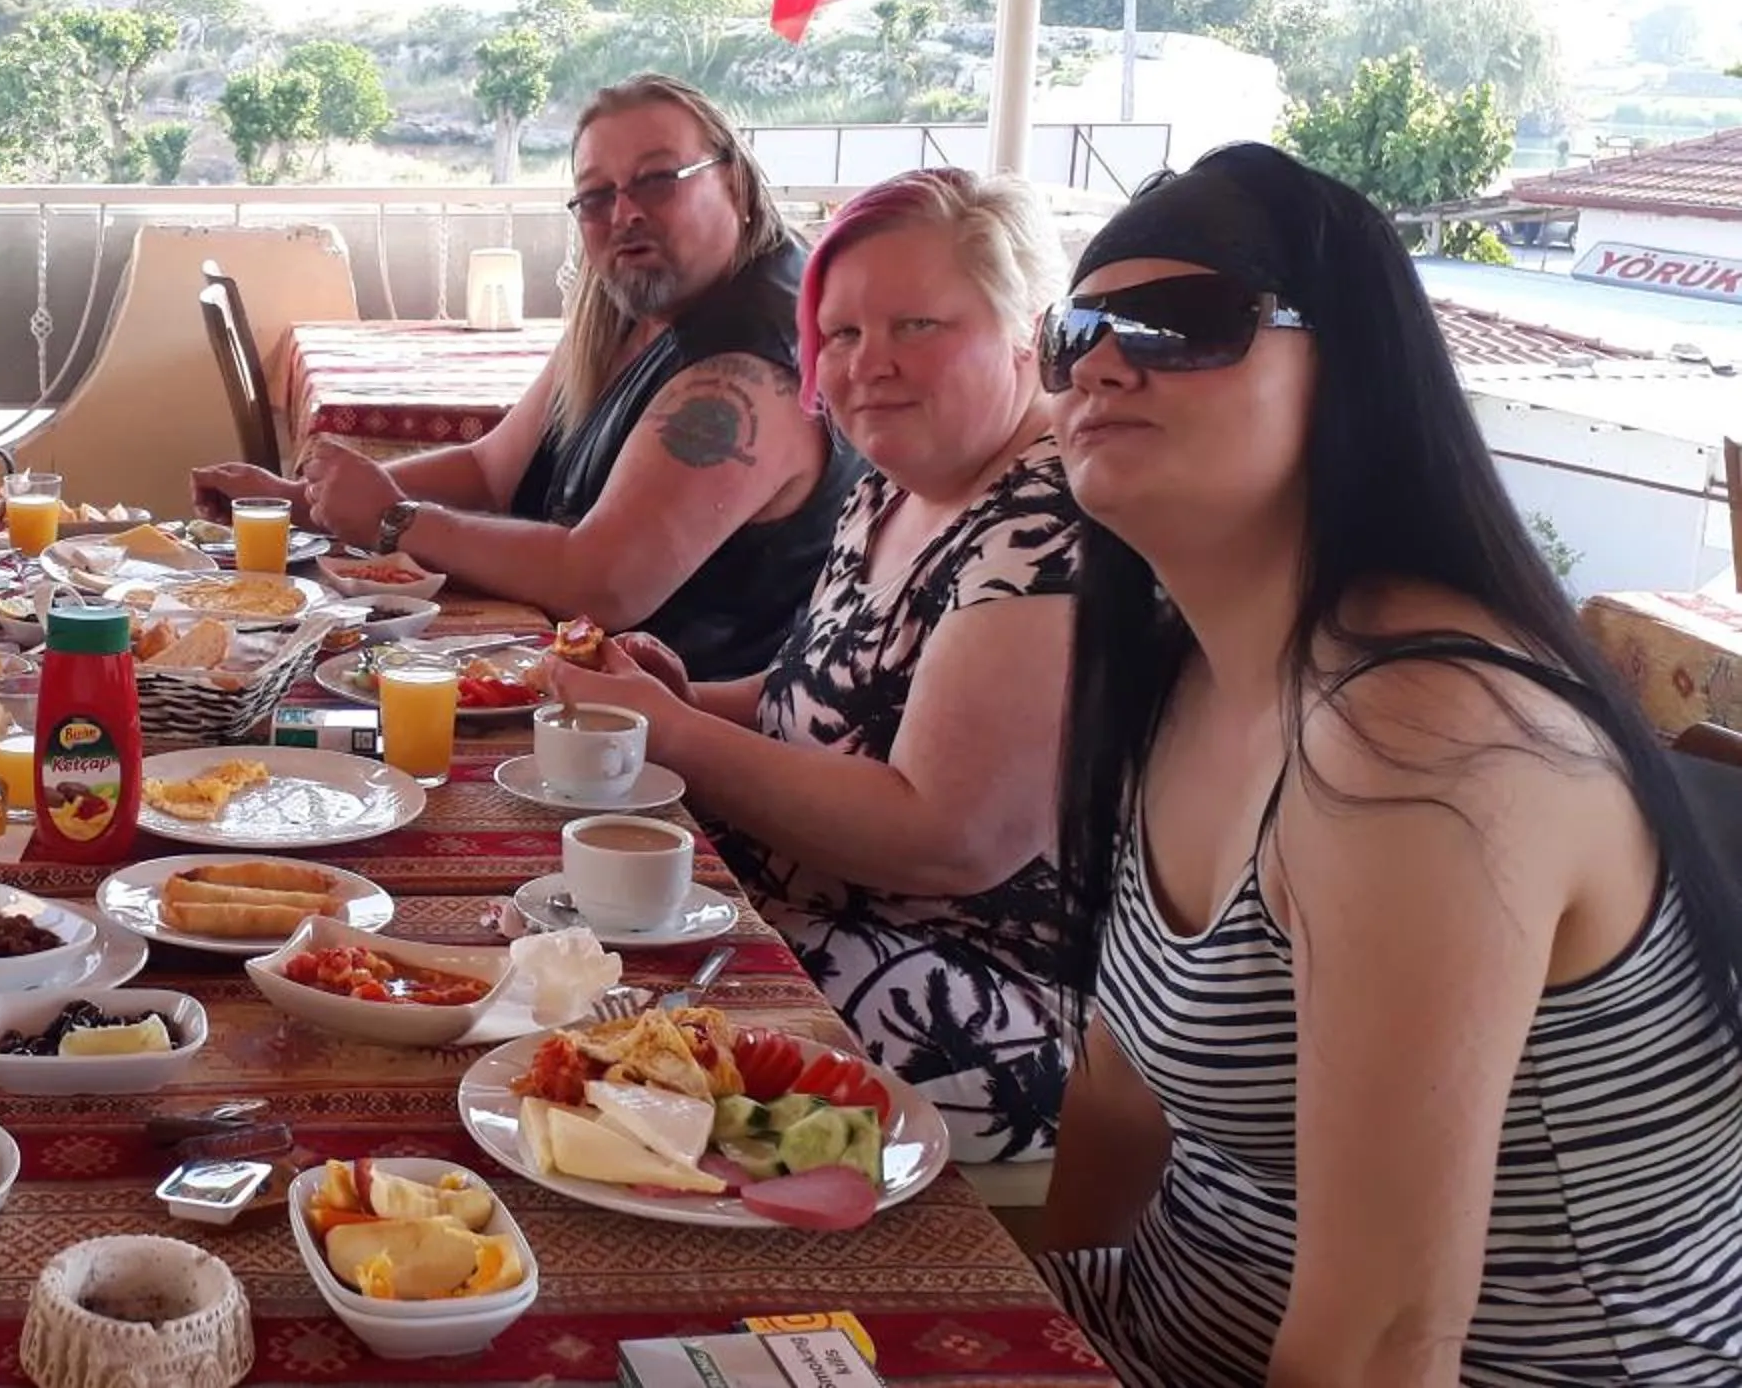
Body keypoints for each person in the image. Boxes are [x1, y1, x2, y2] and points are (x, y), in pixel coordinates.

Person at [1037, 144, 1742, 1385]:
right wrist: (1020, 1335)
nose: (1102, 360)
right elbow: (1116, 1101)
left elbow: (1386, 1336)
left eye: (1182, 321)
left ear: (1351, 368)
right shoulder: (1182, 675)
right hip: (1161, 1337)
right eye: (1077, 328)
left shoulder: (1428, 730)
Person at [550, 168, 1078, 1163]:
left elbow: (943, 836)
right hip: (802, 904)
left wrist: (675, 734)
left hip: (973, 995)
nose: (869, 363)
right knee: (554, 940)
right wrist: (681, 694)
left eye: (917, 324)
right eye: (840, 334)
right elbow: (816, 692)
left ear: (1025, 327)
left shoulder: (1048, 528)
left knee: (594, 1027)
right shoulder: (897, 482)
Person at [193, 74, 859, 680]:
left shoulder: (747, 366)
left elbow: (603, 583)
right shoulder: (632, 304)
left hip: (673, 747)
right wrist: (302, 502)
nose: (624, 212)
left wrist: (394, 521)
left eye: (658, 179)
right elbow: (491, 469)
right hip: (554, 674)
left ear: (735, 185)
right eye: (597, 196)